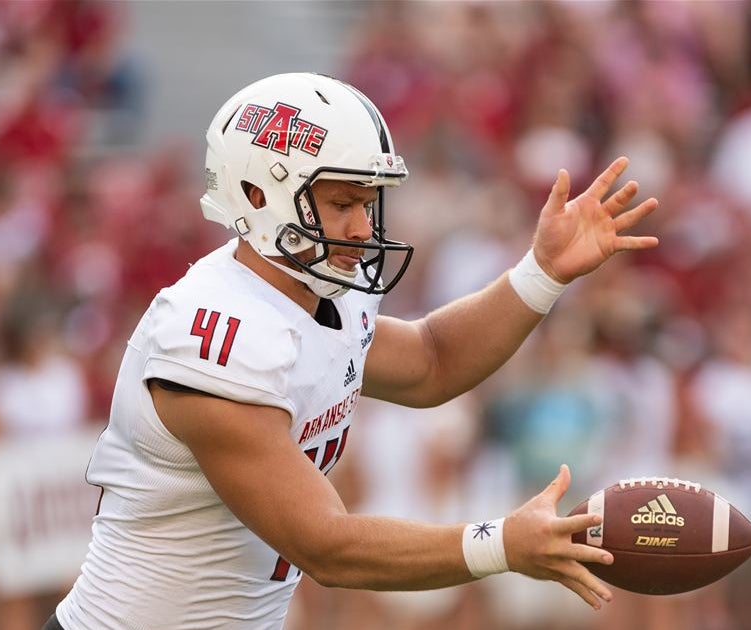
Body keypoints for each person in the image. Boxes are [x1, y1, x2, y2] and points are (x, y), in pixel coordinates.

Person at [48, 72, 660, 630]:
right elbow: (326, 546)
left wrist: (542, 272)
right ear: (258, 197)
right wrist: (499, 544)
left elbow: (432, 361)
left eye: (367, 203)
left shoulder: (317, 292)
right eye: (342, 203)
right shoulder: (214, 334)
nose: (363, 229)